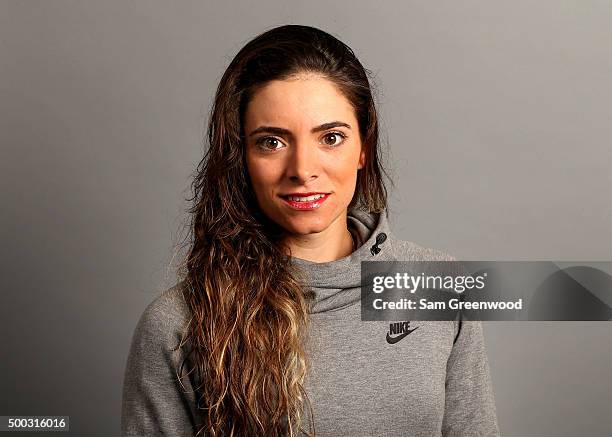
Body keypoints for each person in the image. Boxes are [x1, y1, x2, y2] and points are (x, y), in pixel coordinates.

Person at [121, 24, 500, 437]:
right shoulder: (179, 323)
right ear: (240, 157)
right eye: (271, 142)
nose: (303, 170)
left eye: (331, 137)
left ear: (364, 148)